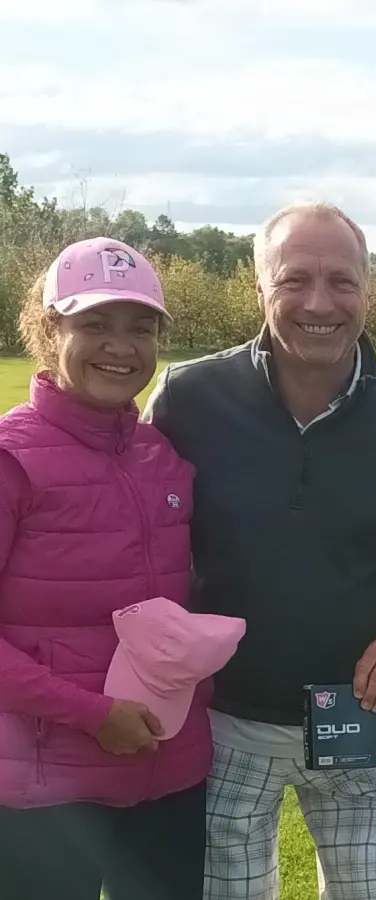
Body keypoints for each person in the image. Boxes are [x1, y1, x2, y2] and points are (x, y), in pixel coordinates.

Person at [144, 202, 376, 900]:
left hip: (363, 718)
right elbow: (132, 527)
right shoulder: (188, 398)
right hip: (220, 722)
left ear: (368, 288)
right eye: (294, 279)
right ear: (260, 286)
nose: (319, 303)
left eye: (341, 281)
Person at [0, 238, 229, 900]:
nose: (120, 347)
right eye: (95, 324)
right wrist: (91, 713)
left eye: (140, 328)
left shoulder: (163, 456)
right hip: (46, 790)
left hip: (170, 773)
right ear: (50, 330)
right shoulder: (12, 459)